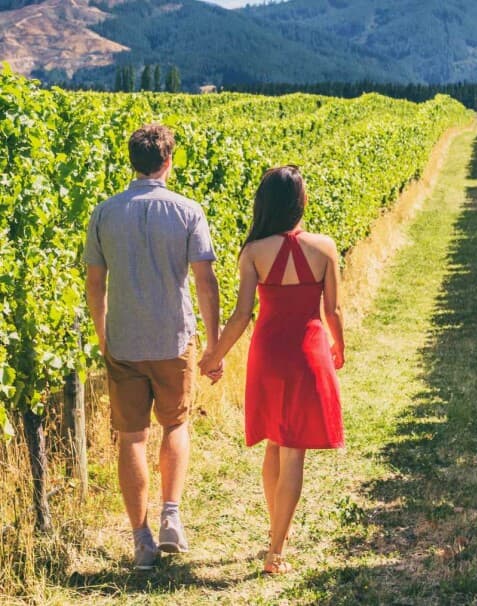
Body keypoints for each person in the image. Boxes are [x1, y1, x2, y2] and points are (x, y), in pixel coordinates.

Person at [84, 124, 222, 570]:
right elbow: (205, 281)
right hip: (173, 338)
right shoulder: (187, 211)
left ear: (132, 161)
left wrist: (105, 335)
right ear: (169, 161)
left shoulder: (104, 213)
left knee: (131, 437)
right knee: (176, 425)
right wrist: (214, 344)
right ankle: (171, 518)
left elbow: (95, 284)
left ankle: (141, 539)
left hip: (123, 339)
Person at [198, 165, 345, 575]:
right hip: (307, 351)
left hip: (269, 355)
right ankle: (276, 549)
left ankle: (275, 529)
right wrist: (340, 346)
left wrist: (214, 355)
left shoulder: (253, 252)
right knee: (294, 449)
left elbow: (242, 315)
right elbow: (332, 309)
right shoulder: (325, 248)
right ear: (301, 202)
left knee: (274, 444)